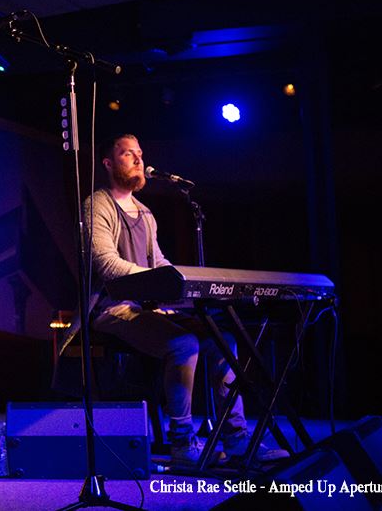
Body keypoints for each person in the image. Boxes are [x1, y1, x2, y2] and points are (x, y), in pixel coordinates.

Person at [80, 133, 287, 467]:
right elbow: (106, 264)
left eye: (139, 152)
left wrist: (181, 281)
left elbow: (158, 262)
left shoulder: (145, 213)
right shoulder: (98, 205)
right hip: (111, 308)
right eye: (126, 153)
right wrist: (154, 281)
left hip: (147, 306)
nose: (137, 159)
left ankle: (235, 438)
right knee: (184, 343)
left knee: (224, 340)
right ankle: (181, 441)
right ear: (108, 163)